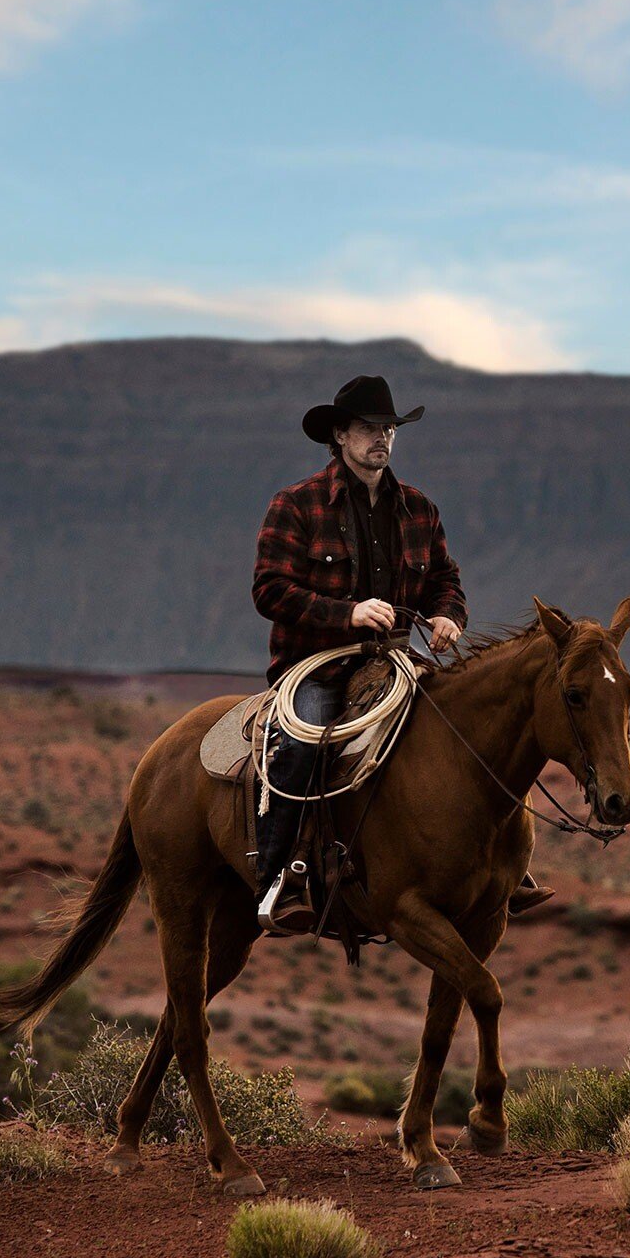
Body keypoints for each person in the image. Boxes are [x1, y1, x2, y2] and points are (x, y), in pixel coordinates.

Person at [250, 373, 554, 934]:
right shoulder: (296, 504)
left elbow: (446, 580)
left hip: (393, 663)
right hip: (316, 667)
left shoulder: (419, 509)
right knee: (301, 745)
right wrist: (347, 613)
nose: (382, 438)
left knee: (471, 727)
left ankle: (501, 868)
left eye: (389, 428)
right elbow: (269, 590)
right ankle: (282, 878)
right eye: (369, 428)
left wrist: (449, 615)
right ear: (339, 435)